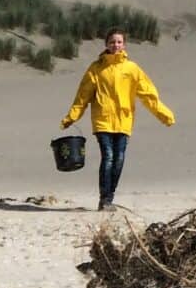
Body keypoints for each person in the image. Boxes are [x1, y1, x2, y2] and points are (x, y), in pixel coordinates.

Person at [61, 29, 175, 210]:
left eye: (119, 42)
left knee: (119, 159)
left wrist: (164, 114)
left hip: (124, 121)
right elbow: (83, 96)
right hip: (103, 120)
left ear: (124, 45)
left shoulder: (131, 69)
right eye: (112, 42)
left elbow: (148, 94)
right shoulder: (96, 68)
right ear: (106, 44)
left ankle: (110, 196)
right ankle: (104, 199)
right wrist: (71, 117)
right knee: (108, 157)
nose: (116, 45)